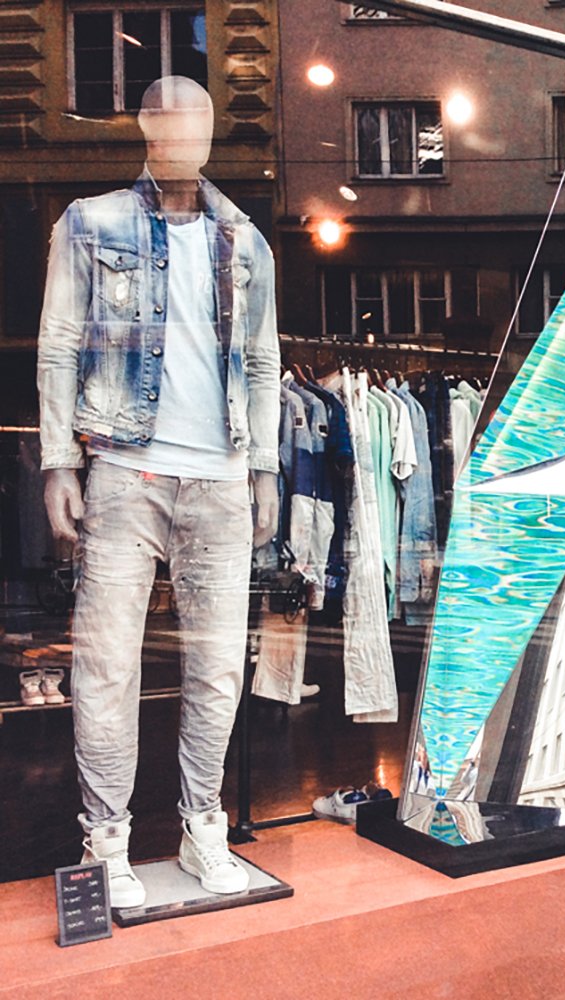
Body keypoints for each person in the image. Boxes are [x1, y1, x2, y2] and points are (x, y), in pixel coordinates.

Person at [36, 76, 280, 907]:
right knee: (108, 664)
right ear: (145, 126)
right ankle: (107, 841)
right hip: (124, 469)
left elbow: (263, 361)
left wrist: (265, 468)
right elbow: (59, 342)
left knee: (217, 667)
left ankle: (203, 826)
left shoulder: (243, 238)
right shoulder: (90, 222)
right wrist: (59, 461)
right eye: (174, 120)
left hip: (220, 476)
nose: (190, 138)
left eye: (202, 123)